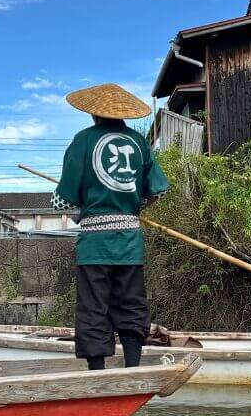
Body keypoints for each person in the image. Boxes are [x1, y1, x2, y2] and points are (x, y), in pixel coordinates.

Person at [54, 83, 170, 371]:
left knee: (94, 307)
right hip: (129, 241)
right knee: (131, 303)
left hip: (94, 244)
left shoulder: (83, 140)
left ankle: (98, 374)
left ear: (94, 114)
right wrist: (134, 207)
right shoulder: (138, 142)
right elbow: (158, 190)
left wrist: (84, 203)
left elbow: (63, 200)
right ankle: (132, 366)